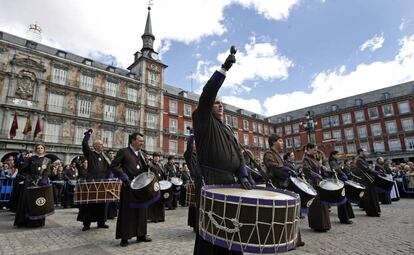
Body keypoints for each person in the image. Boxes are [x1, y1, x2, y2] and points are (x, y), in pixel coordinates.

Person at [192, 46, 254, 255]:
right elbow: (207, 94)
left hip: (232, 183)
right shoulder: (203, 121)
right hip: (213, 183)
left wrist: (242, 173)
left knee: (233, 231)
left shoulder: (227, 130)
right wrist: (224, 69)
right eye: (216, 103)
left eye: (222, 104)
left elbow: (238, 155)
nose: (220, 106)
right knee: (213, 232)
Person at [110, 132, 152, 247]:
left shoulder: (142, 154)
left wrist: (149, 166)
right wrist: (124, 177)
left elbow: (144, 169)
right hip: (129, 186)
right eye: (140, 141)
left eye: (143, 141)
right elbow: (114, 166)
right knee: (127, 212)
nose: (142, 143)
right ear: (132, 141)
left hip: (141, 187)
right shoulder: (123, 152)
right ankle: (125, 237)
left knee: (142, 211)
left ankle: (141, 234)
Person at [263, 134, 305, 248]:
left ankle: (293, 239)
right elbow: (274, 167)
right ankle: (281, 240)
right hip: (274, 188)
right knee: (278, 216)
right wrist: (288, 171)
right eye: (280, 141)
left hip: (281, 187)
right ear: (273, 142)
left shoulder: (278, 155)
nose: (283, 143)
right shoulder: (268, 154)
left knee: (288, 214)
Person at [77, 129, 110, 231]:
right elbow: (84, 144)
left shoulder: (105, 156)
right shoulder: (90, 154)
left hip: (102, 182)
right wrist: (88, 135)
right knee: (89, 203)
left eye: (102, 144)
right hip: (91, 181)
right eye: (100, 144)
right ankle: (86, 224)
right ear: (95, 145)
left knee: (102, 203)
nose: (102, 146)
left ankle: (101, 222)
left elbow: (109, 168)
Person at [14, 143, 52, 228]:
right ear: (35, 149)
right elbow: (24, 169)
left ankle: (37, 222)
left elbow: (47, 171)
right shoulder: (30, 158)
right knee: (26, 201)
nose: (39, 149)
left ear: (44, 150)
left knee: (38, 202)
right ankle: (24, 221)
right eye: (38, 148)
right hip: (29, 182)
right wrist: (24, 159)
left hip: (40, 183)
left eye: (41, 148)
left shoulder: (47, 160)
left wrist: (44, 179)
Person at [302, 143, 331, 232]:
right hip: (313, 184)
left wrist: (324, 169)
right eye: (314, 149)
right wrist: (316, 175)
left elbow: (319, 168)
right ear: (309, 149)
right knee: (316, 205)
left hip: (319, 183)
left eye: (316, 149)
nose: (316, 151)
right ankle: (318, 225)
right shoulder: (306, 159)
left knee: (322, 203)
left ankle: (325, 224)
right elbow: (307, 170)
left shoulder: (314, 158)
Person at [328, 150, 354, 224]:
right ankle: (344, 218)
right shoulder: (332, 162)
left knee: (344, 200)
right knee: (342, 200)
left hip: (340, 181)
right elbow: (336, 170)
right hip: (339, 182)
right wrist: (343, 174)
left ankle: (346, 217)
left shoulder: (334, 161)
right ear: (333, 155)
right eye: (337, 154)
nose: (338, 155)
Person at [356, 148, 381, 217]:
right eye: (365, 151)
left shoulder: (362, 159)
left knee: (372, 195)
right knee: (369, 196)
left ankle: (374, 210)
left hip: (369, 179)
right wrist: (376, 172)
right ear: (361, 152)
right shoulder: (359, 160)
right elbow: (366, 169)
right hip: (366, 179)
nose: (367, 152)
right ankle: (372, 211)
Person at [147, 152, 166, 223]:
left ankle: (160, 217)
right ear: (153, 157)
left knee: (160, 201)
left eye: (158, 156)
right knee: (154, 202)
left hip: (160, 184)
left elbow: (163, 173)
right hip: (153, 185)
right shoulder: (150, 165)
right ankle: (153, 218)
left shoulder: (160, 165)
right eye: (155, 156)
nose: (157, 158)